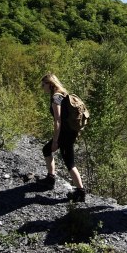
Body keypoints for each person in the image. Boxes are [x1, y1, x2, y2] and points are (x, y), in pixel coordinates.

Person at [38, 73, 86, 202]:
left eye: (44, 84)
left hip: (65, 134)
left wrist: (55, 141)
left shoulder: (56, 98)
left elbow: (57, 121)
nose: (42, 87)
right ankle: (50, 178)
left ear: (50, 84)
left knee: (69, 163)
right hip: (70, 132)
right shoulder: (63, 93)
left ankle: (80, 192)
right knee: (46, 150)